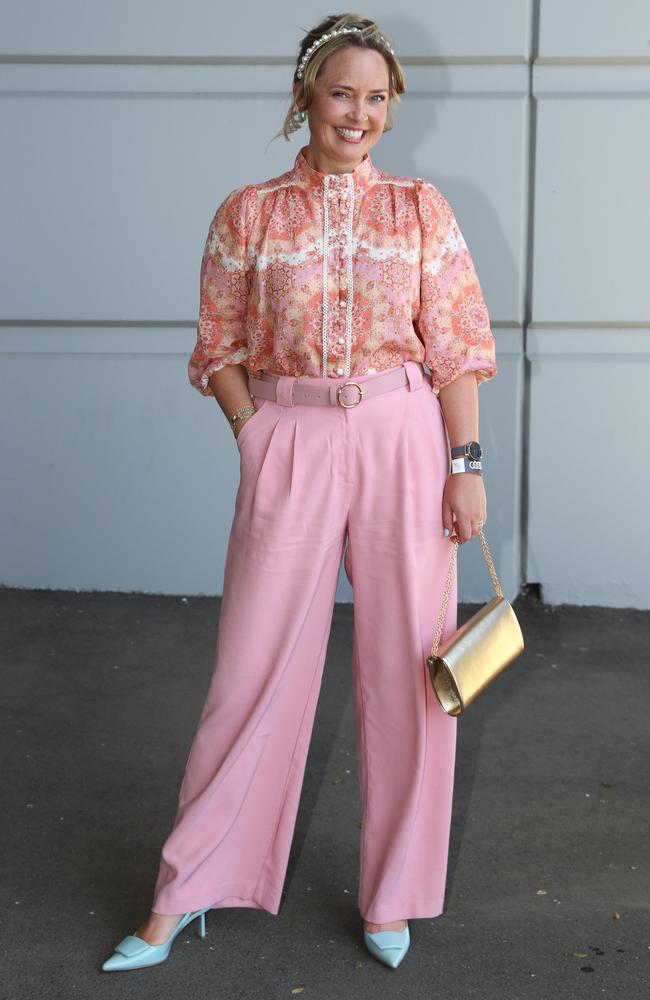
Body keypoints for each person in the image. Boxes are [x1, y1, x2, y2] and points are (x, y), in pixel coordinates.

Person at [101, 11, 497, 974]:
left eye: (376, 97)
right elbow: (218, 348)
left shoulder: (420, 209)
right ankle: (184, 891)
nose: (358, 112)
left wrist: (466, 461)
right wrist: (255, 431)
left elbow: (456, 343)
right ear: (305, 98)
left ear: (390, 109)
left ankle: (394, 893)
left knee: (415, 671)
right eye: (341, 92)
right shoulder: (250, 213)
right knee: (251, 669)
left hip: (406, 435)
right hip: (292, 434)